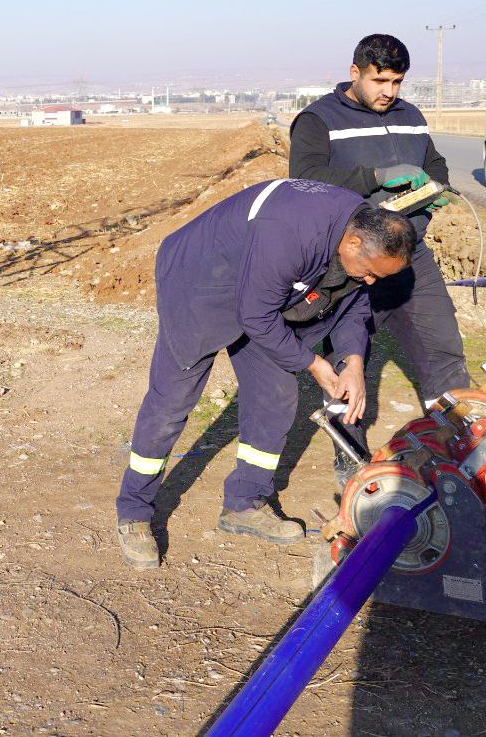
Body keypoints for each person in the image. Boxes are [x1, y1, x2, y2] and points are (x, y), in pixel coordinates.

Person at [115, 179, 415, 568]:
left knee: (275, 396)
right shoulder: (291, 230)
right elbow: (254, 315)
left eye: (379, 277)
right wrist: (313, 362)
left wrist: (354, 360)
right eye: (370, 272)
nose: (371, 281)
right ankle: (134, 512)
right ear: (353, 244)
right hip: (203, 283)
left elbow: (351, 302)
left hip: (265, 292)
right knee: (172, 400)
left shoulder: (358, 232)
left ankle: (244, 505)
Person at [288, 33, 471, 475]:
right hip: (350, 261)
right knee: (348, 356)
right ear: (355, 73)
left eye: (397, 82)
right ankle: (351, 460)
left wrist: (435, 187)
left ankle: (459, 447)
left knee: (442, 346)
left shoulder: (410, 116)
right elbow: (305, 178)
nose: (389, 92)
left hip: (411, 260)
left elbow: (436, 162)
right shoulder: (317, 120)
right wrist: (375, 176)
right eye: (380, 80)